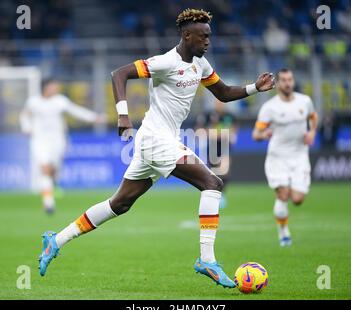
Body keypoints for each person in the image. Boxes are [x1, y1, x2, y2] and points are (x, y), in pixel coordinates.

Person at [39, 9, 274, 288]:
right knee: (212, 183)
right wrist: (123, 115)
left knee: (120, 204)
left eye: (209, 36)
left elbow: (223, 93)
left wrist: (254, 88)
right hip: (155, 140)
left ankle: (56, 240)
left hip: (162, 140)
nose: (208, 42)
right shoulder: (164, 62)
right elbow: (119, 74)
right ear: (187, 35)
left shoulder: (201, 64)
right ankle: (207, 259)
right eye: (203, 36)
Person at [252, 68, 318, 246]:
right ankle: (284, 233)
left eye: (290, 80)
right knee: (283, 194)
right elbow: (256, 134)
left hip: (299, 156)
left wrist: (312, 132)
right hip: (277, 158)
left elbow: (313, 117)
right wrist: (264, 134)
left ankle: (284, 210)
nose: (288, 83)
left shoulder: (305, 102)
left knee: (297, 199)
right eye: (284, 80)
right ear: (278, 83)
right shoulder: (270, 108)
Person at [20, 79, 105, 213]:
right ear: (45, 88)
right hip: (39, 140)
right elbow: (25, 115)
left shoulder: (60, 101)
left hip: (58, 140)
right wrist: (26, 127)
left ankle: (52, 185)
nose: (56, 88)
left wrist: (94, 117)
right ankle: (48, 203)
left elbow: (76, 111)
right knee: (45, 168)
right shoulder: (33, 102)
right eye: (53, 86)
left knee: (53, 170)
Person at [195, 99, 237, 209]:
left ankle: (221, 195)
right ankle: (212, 196)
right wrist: (217, 134)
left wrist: (218, 134)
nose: (219, 104)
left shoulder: (230, 116)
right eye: (217, 102)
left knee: (225, 172)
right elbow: (199, 131)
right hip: (210, 148)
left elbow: (233, 132)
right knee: (212, 173)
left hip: (225, 148)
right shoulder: (207, 115)